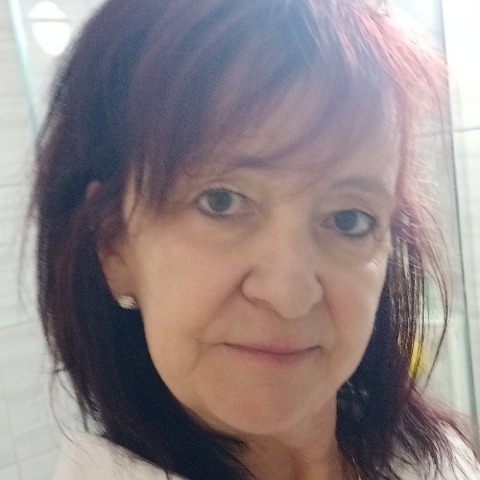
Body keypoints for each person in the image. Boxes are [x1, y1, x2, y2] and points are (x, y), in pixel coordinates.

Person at [31, 0, 479, 479]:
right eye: (220, 201)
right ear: (114, 244)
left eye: (349, 219)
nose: (289, 295)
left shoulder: (436, 455)